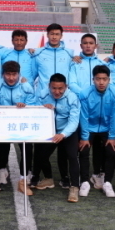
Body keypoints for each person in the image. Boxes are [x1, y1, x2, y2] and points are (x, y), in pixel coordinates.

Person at [0, 60, 37, 194]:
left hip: (22, 125)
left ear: (19, 74)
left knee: (27, 148)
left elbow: (32, 106)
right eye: (8, 74)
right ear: (3, 74)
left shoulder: (26, 87)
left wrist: (25, 107)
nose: (11, 78)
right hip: (1, 125)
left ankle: (23, 180)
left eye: (14, 74)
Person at [36, 73, 81, 202]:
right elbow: (34, 109)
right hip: (50, 131)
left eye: (60, 88)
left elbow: (74, 121)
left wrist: (63, 134)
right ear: (49, 86)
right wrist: (42, 108)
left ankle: (74, 187)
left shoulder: (72, 98)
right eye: (54, 88)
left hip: (67, 131)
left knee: (72, 156)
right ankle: (48, 178)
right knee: (41, 155)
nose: (57, 91)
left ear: (66, 86)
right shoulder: (42, 95)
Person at [78, 65, 115, 198]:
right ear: (93, 80)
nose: (101, 82)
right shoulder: (85, 94)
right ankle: (84, 181)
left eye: (104, 79)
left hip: (106, 128)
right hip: (89, 128)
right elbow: (84, 117)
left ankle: (107, 182)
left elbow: (114, 117)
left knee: (111, 152)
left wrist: (112, 136)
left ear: (109, 80)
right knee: (83, 151)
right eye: (98, 79)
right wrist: (84, 137)